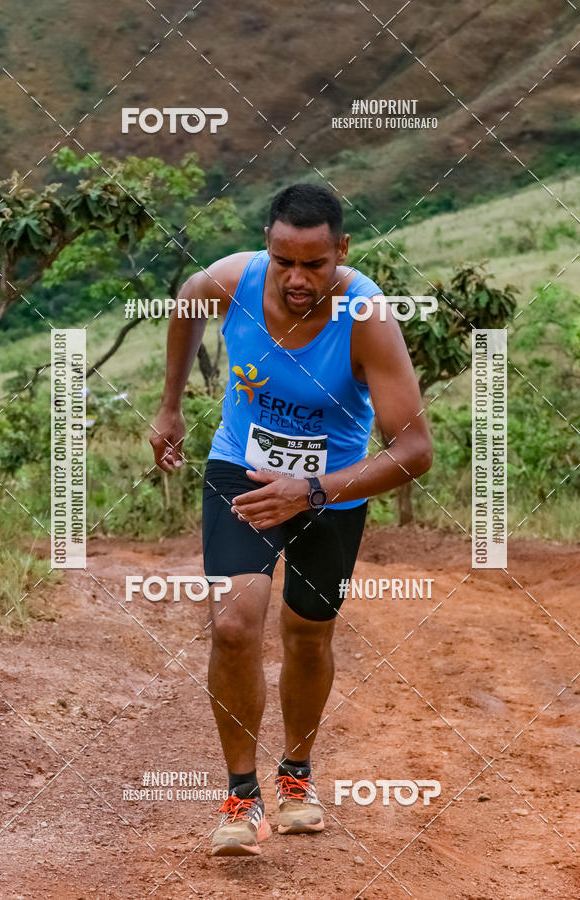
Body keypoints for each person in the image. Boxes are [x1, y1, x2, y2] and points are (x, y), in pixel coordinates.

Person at [150, 183, 432, 857]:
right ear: (267, 248)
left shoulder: (367, 316)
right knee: (235, 622)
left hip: (332, 490)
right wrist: (170, 407)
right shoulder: (234, 280)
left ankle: (297, 779)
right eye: (284, 261)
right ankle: (241, 797)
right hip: (240, 471)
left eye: (315, 264)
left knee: (308, 632)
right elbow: (187, 298)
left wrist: (310, 491)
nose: (297, 278)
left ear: (342, 251)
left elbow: (415, 450)